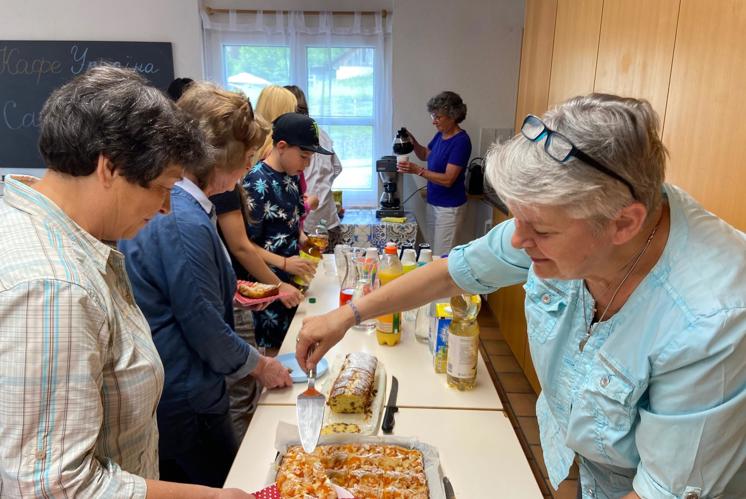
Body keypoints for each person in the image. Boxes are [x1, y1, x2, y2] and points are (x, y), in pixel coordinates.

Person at [297, 94, 746, 498]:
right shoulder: (565, 220)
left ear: (624, 224)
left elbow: (662, 491)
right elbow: (453, 273)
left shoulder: (714, 318)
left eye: (540, 230)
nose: (515, 241)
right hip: (583, 463)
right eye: (517, 220)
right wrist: (350, 314)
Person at [0, 65, 253, 497]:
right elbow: (57, 487)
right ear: (109, 168)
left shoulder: (66, 240)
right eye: (161, 187)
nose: (166, 209)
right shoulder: (55, 288)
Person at [119, 81, 293, 488]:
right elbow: (203, 324)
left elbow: (185, 290)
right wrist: (261, 365)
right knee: (220, 484)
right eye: (247, 159)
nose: (249, 169)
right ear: (221, 162)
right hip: (186, 395)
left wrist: (229, 293)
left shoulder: (183, 205)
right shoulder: (183, 219)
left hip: (177, 388)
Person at [208, 110, 302, 441]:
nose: (250, 166)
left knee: (249, 386)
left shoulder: (238, 184)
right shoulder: (232, 187)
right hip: (250, 293)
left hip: (248, 290)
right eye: (248, 156)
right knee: (243, 390)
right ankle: (247, 453)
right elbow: (242, 247)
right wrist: (280, 279)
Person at [245, 112, 333, 350]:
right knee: (277, 353)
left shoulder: (291, 177)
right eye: (304, 156)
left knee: (297, 345)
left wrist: (305, 242)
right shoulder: (255, 183)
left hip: (293, 284)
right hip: (268, 286)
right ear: (281, 146)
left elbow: (290, 225)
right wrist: (284, 263)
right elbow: (246, 246)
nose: (306, 165)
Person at [397, 90, 472, 256]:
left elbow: (448, 180)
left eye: (438, 117)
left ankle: (445, 283)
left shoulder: (461, 141)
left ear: (452, 116)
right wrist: (413, 141)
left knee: (441, 257)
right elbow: (425, 154)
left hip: (449, 209)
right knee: (431, 253)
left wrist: (418, 170)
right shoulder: (440, 135)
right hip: (433, 202)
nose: (434, 122)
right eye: (433, 116)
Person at [284, 84, 344, 241]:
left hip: (305, 223)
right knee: (323, 263)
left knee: (314, 262)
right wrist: (322, 186)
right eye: (304, 157)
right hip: (325, 219)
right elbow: (337, 167)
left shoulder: (288, 140)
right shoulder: (320, 133)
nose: (306, 162)